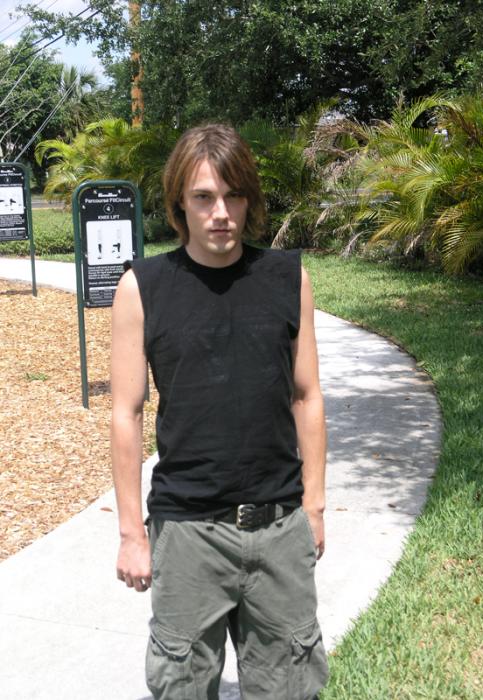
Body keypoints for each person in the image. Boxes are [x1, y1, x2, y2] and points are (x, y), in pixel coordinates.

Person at [110, 123, 329, 699]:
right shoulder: (142, 287)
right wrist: (132, 533)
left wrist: (314, 507)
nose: (221, 213)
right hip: (187, 533)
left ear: (249, 199)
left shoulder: (288, 279)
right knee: (181, 687)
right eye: (204, 197)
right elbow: (126, 414)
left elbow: (307, 396)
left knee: (290, 688)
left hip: (279, 526)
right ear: (180, 202)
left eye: (234, 196)